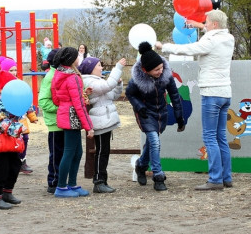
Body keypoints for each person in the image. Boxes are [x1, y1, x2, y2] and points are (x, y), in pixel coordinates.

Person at [155, 9, 234, 190]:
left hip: (211, 92)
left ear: (214, 25)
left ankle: (215, 179)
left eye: (206, 23)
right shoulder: (228, 39)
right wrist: (198, 24)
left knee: (209, 137)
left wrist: (163, 46)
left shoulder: (210, 41)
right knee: (221, 136)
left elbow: (188, 49)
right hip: (225, 93)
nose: (204, 25)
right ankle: (226, 177)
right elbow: (211, 32)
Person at [126, 41, 185, 191]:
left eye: (161, 67)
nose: (160, 71)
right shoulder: (136, 81)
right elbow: (130, 94)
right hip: (145, 113)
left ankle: (141, 165)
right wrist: (139, 107)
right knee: (155, 141)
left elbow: (174, 94)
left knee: (153, 142)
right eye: (156, 70)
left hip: (161, 113)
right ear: (146, 70)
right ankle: (158, 175)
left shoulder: (166, 75)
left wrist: (179, 116)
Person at [51, 47, 94, 198]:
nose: (79, 58)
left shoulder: (58, 74)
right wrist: (89, 127)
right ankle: (62, 187)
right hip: (72, 117)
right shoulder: (73, 77)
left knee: (76, 152)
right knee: (70, 152)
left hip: (64, 114)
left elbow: (56, 99)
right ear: (72, 59)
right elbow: (79, 104)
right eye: (77, 56)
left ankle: (72, 184)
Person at [79, 56, 126, 193]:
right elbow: (107, 86)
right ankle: (99, 181)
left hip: (105, 120)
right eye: (99, 65)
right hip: (100, 121)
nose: (101, 68)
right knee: (101, 152)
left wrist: (118, 84)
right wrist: (117, 68)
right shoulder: (89, 82)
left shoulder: (97, 81)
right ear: (91, 69)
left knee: (104, 151)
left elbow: (112, 95)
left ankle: (102, 180)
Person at [0, 71, 24, 210]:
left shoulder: (8, 96)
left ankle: (7, 192)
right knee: (1, 167)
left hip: (10, 137)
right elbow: (0, 119)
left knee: (14, 165)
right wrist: (17, 128)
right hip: (0, 138)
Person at [0, 56, 38, 174]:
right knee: (9, 141)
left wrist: (32, 116)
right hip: (7, 119)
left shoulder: (19, 84)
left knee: (24, 138)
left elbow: (26, 101)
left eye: (15, 70)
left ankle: (22, 161)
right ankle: (10, 164)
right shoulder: (1, 86)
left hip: (21, 118)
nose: (14, 72)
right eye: (11, 70)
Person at [38, 48, 64, 194]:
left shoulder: (58, 75)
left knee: (61, 153)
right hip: (55, 123)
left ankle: (60, 180)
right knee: (56, 154)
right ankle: (53, 181)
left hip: (62, 121)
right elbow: (43, 101)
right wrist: (61, 107)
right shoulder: (50, 77)